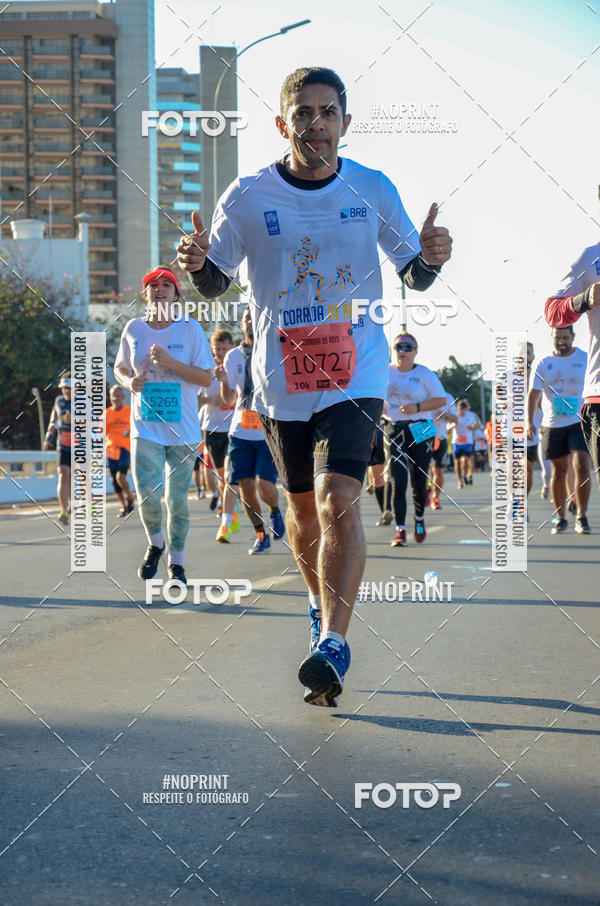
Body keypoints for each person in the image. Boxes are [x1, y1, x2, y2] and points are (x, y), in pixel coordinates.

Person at [178, 66, 452, 706]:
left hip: (357, 371)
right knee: (302, 511)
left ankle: (333, 641)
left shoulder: (372, 188)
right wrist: (196, 265)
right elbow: (216, 280)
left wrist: (432, 257)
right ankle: (315, 605)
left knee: (337, 498)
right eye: (303, 112)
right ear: (283, 124)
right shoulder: (247, 196)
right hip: (281, 380)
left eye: (328, 112)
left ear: (345, 123)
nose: (316, 123)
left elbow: (412, 272)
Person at [114, 266, 213, 585]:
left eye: (166, 285)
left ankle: (177, 563)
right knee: (147, 493)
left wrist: (171, 363)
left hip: (183, 431)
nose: (159, 289)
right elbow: (119, 368)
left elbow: (206, 378)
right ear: (145, 294)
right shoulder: (133, 329)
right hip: (146, 427)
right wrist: (128, 381)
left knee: (176, 501)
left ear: (176, 294)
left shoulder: (190, 329)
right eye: (153, 285)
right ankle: (156, 544)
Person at [215, 306, 285, 552]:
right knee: (245, 487)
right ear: (241, 324)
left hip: (267, 430)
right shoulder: (233, 356)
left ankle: (274, 510)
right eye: (245, 318)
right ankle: (261, 535)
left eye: (253, 317)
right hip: (240, 431)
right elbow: (227, 399)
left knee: (265, 487)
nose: (249, 322)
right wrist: (223, 381)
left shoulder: (274, 351)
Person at [545, 239, 600, 489]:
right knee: (564, 469)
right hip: (597, 396)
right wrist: (585, 299)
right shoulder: (590, 257)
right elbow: (552, 311)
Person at [383, 333, 445, 545]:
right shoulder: (385, 372)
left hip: (421, 427)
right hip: (394, 427)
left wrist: (417, 407)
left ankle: (419, 518)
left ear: (415, 351)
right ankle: (400, 529)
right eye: (398, 347)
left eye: (407, 347)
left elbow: (440, 400)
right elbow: (373, 395)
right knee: (398, 479)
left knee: (419, 479)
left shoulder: (424, 373)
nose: (402, 351)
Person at [528, 326, 590, 534]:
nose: (562, 341)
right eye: (558, 338)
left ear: (573, 337)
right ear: (552, 338)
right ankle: (561, 517)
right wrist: (529, 422)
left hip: (579, 422)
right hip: (553, 424)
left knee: (582, 465)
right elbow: (533, 395)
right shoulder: (544, 363)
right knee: (559, 471)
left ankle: (581, 516)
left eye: (565, 337)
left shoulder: (585, 358)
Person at [199, 329, 236, 513]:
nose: (220, 353)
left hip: (233, 428)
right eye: (217, 349)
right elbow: (192, 399)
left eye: (224, 349)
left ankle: (230, 512)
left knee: (229, 474)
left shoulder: (238, 366)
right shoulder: (206, 370)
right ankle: (223, 500)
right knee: (221, 475)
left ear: (232, 347)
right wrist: (209, 400)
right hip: (212, 428)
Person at [43, 372, 72, 525]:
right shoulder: (58, 401)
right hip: (64, 446)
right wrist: (48, 439)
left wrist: (75, 421)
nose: (66, 390)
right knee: (63, 475)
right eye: (64, 387)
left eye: (69, 387)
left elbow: (95, 424)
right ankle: (64, 511)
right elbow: (53, 422)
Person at [105, 384, 135, 518]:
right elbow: (101, 432)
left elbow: (137, 428)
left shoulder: (130, 412)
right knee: (114, 482)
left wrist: (130, 432)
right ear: (110, 398)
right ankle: (124, 505)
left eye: (118, 396)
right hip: (111, 450)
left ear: (123, 397)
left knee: (120, 477)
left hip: (124, 449)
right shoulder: (107, 414)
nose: (116, 398)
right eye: (113, 396)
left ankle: (130, 496)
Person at [429, 391, 457, 509]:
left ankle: (435, 497)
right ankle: (425, 490)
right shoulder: (419, 392)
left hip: (440, 437)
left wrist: (444, 416)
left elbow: (455, 419)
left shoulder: (448, 397)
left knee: (438, 470)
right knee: (421, 469)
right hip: (422, 435)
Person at [453, 400, 477, 488]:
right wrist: (452, 426)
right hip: (456, 442)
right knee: (457, 463)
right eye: (460, 410)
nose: (461, 412)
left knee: (466, 460)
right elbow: (448, 428)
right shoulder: (454, 415)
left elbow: (475, 425)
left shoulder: (470, 415)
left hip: (467, 441)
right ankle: (460, 480)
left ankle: (465, 475)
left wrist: (472, 427)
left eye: (463, 410)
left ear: (465, 409)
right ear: (457, 409)